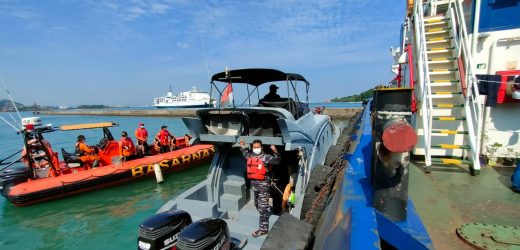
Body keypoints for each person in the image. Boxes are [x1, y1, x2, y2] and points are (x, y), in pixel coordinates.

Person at [239, 139, 281, 237]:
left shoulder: (266, 157)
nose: (256, 149)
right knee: (256, 204)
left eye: (258, 147)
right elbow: (245, 153)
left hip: (264, 187)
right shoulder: (250, 155)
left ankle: (263, 229)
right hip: (254, 187)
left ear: (261, 147)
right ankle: (264, 213)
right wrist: (243, 146)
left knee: (263, 208)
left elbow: (277, 161)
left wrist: (275, 151)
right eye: (254, 147)